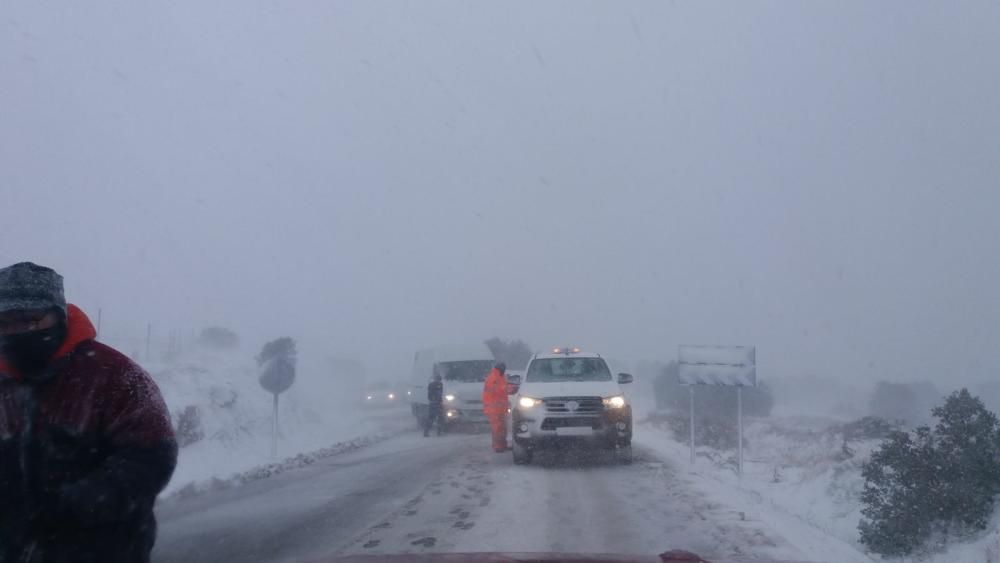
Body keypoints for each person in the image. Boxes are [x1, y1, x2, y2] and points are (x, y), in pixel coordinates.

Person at [0, 262, 178, 563]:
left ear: (59, 316)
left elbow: (152, 457)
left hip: (103, 548)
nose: (16, 332)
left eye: (29, 320)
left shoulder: (116, 376)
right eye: (5, 322)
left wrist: (77, 502)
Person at [482, 362, 509, 453]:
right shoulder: (493, 378)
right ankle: (497, 446)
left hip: (500, 408)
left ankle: (502, 445)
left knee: (502, 428)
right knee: (497, 428)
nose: (504, 371)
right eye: (503, 369)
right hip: (494, 409)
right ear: (500, 369)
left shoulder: (501, 377)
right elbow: (498, 391)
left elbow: (504, 390)